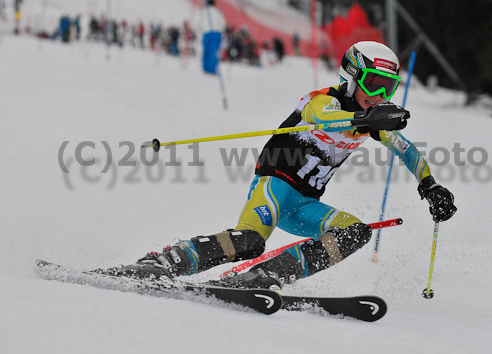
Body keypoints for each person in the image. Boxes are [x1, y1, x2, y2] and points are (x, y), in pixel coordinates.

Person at [113, 41, 457, 290]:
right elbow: (318, 115)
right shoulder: (326, 100)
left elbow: (407, 150)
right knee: (249, 240)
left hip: (306, 204)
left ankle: (267, 275)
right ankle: (165, 261)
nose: (380, 94)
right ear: (351, 78)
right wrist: (366, 116)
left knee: (356, 231)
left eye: (389, 88)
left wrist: (430, 185)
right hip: (274, 186)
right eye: (372, 84)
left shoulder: (372, 118)